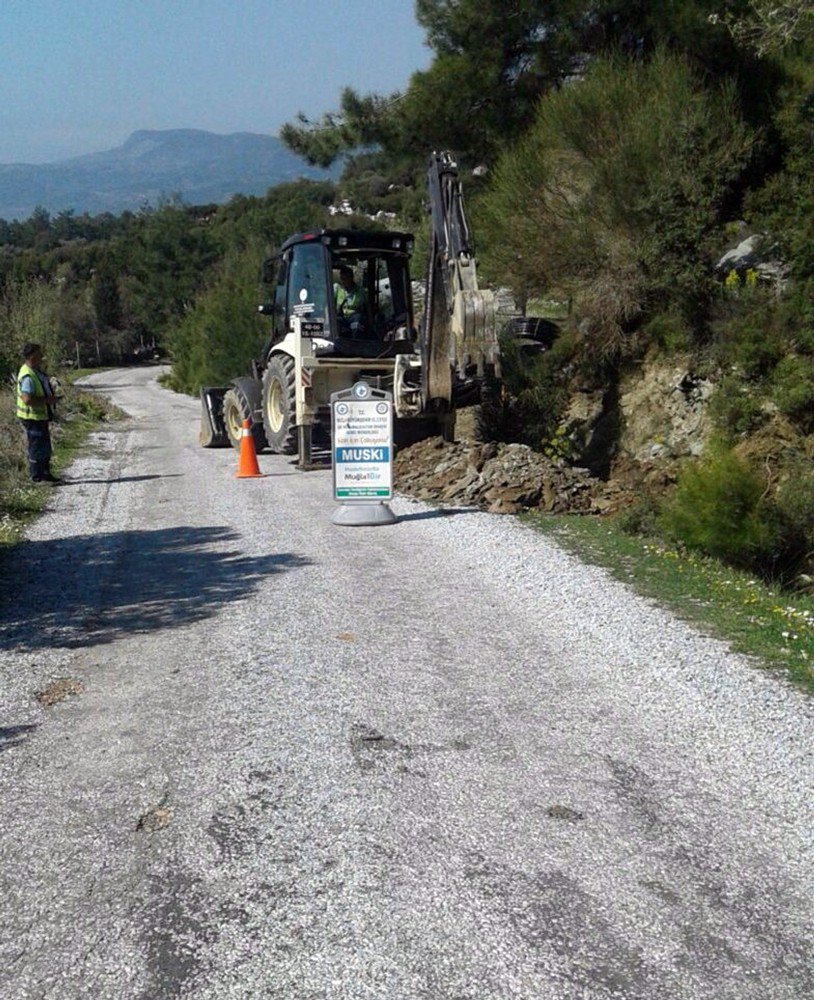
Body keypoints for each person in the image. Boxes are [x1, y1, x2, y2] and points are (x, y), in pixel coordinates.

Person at [16, 342, 60, 484]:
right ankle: (37, 478)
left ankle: (46, 474)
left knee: (45, 447)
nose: (42, 356)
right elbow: (27, 399)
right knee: (36, 448)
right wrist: (48, 400)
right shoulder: (27, 375)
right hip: (32, 418)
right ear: (32, 356)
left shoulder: (36, 371)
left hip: (40, 417)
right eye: (39, 353)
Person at [334, 265, 367, 335]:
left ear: (351, 278)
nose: (343, 281)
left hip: (354, 316)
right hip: (341, 317)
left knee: (357, 323)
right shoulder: (338, 289)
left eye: (345, 279)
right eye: (341, 278)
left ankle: (355, 342)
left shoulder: (360, 291)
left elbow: (367, 305)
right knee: (336, 323)